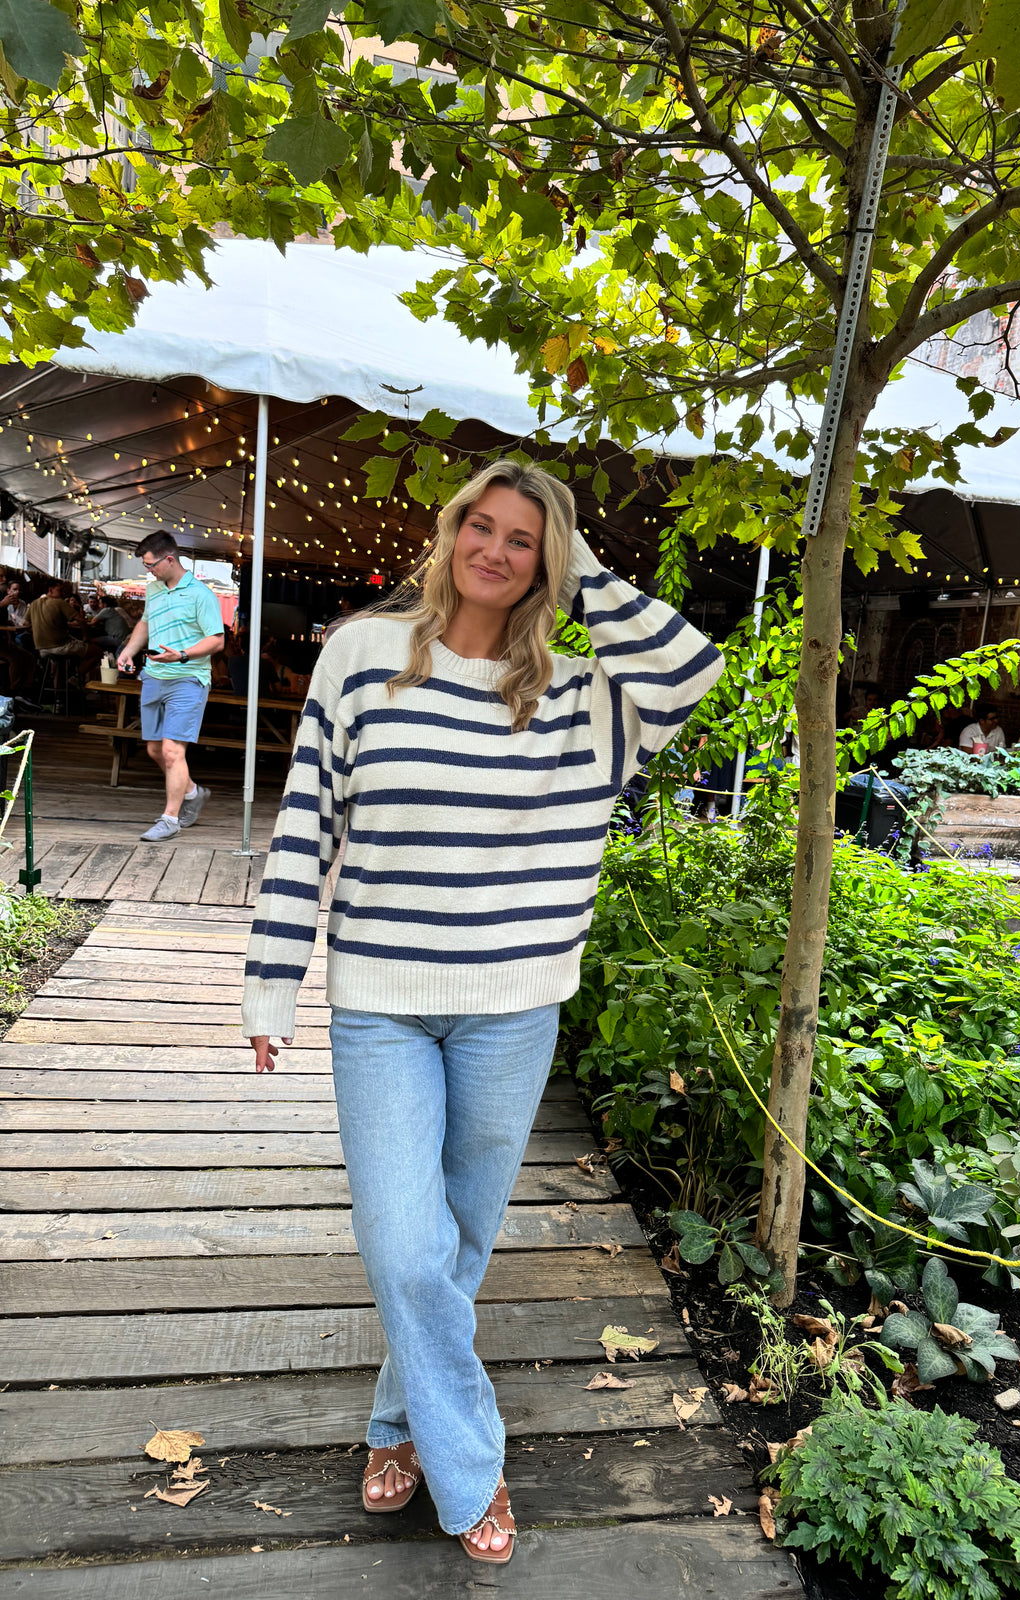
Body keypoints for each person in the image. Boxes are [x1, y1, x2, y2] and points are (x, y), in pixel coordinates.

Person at [241, 459, 723, 1565]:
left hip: (514, 1007)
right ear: (450, 530)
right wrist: (274, 975)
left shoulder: (583, 694)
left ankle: (395, 1425)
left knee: (453, 1250)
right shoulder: (363, 653)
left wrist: (585, 564)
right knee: (408, 1248)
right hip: (383, 1004)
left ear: (549, 562)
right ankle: (471, 1469)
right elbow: (307, 814)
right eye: (482, 526)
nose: (495, 551)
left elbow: (692, 671)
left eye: (524, 539)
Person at [116, 531, 225, 841]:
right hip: (154, 676)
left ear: (169, 559)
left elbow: (217, 640)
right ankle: (192, 792)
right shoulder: (154, 590)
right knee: (153, 750)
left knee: (172, 751)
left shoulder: (201, 594)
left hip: (188, 678)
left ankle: (170, 819)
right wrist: (128, 651)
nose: (148, 570)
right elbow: (145, 624)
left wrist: (183, 655)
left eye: (150, 564)